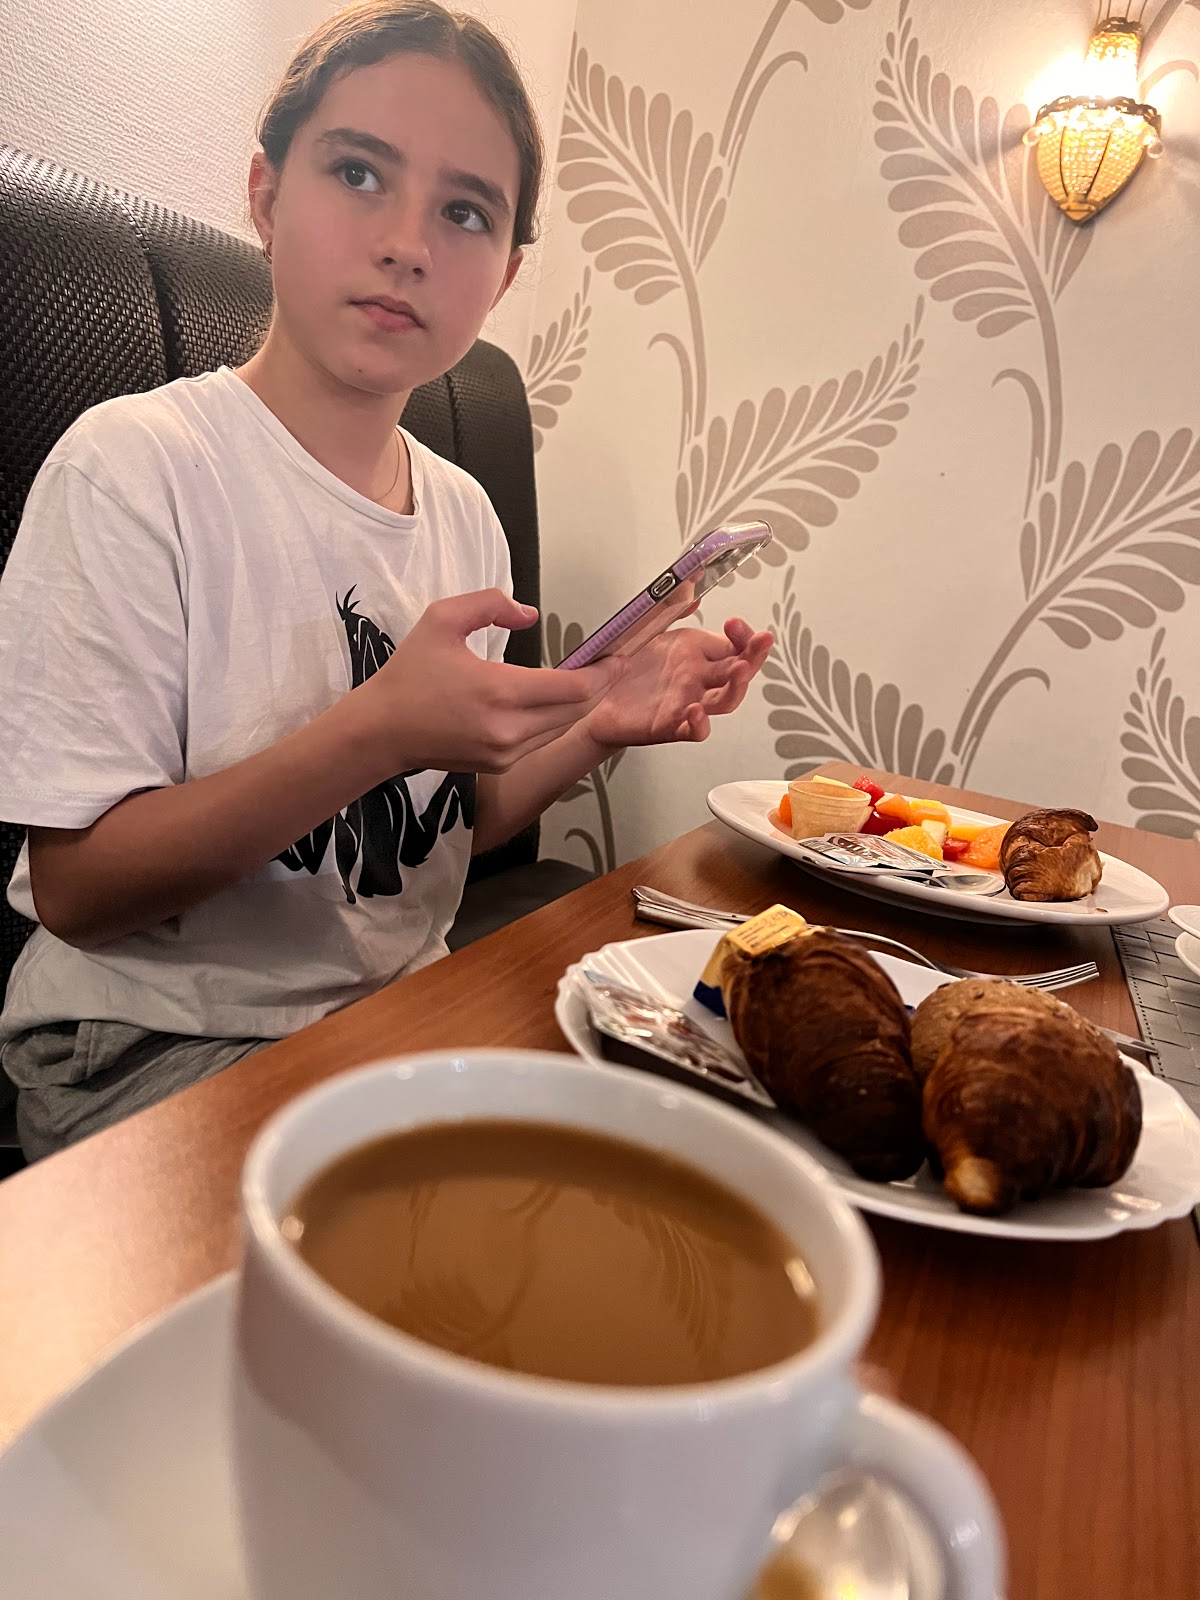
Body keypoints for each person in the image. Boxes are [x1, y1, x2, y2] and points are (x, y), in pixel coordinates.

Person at [0, 1, 772, 1160]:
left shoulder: (464, 513)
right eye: (359, 173)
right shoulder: (135, 468)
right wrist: (376, 729)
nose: (409, 242)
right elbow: (80, 889)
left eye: (466, 211)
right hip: (153, 1041)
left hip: (395, 1008)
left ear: (505, 277)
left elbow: (458, 818)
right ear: (265, 195)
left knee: (686, 1133)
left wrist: (596, 723)